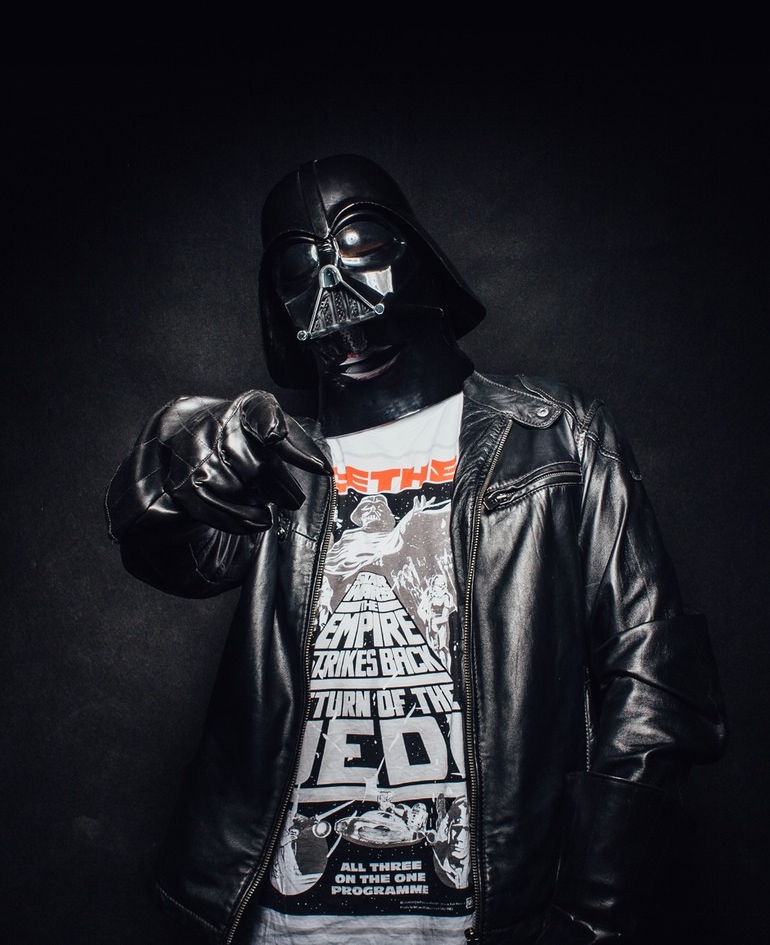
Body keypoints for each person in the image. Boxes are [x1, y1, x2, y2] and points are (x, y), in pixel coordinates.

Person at [104, 154, 726, 944]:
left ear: (419, 258)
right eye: (301, 284)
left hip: (489, 914)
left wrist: (588, 910)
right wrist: (170, 462)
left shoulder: (557, 437)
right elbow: (174, 556)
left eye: (362, 259)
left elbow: (656, 675)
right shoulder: (275, 459)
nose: (345, 329)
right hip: (281, 919)